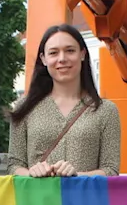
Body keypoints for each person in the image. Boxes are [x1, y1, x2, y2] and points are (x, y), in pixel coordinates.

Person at [8, 23, 121, 178]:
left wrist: (77, 176)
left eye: (70, 51)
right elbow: (14, 165)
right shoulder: (24, 108)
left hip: (85, 200)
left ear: (82, 54)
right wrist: (31, 173)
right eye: (53, 53)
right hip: (37, 200)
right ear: (44, 59)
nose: (62, 59)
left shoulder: (105, 111)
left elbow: (111, 170)